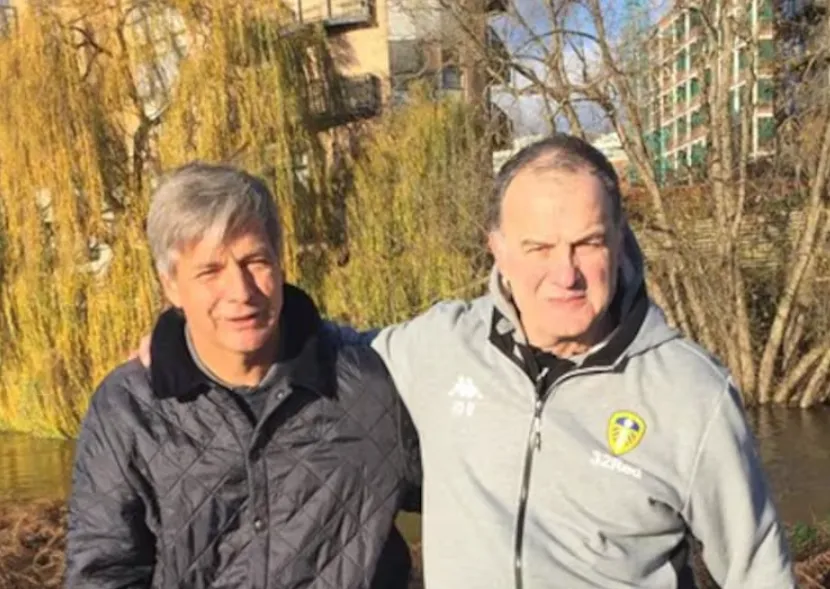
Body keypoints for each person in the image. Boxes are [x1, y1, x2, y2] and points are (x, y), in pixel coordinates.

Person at [135, 135, 796, 588]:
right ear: (497, 248)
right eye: (538, 246)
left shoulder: (689, 393)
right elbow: (317, 346)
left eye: (586, 243)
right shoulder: (439, 346)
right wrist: (183, 339)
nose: (563, 272)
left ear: (618, 239)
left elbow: (758, 568)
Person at [65, 162, 420, 589]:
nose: (241, 292)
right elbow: (104, 570)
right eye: (209, 271)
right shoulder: (128, 408)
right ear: (171, 286)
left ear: (280, 261)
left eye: (254, 261)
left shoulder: (370, 384)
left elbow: (475, 487)